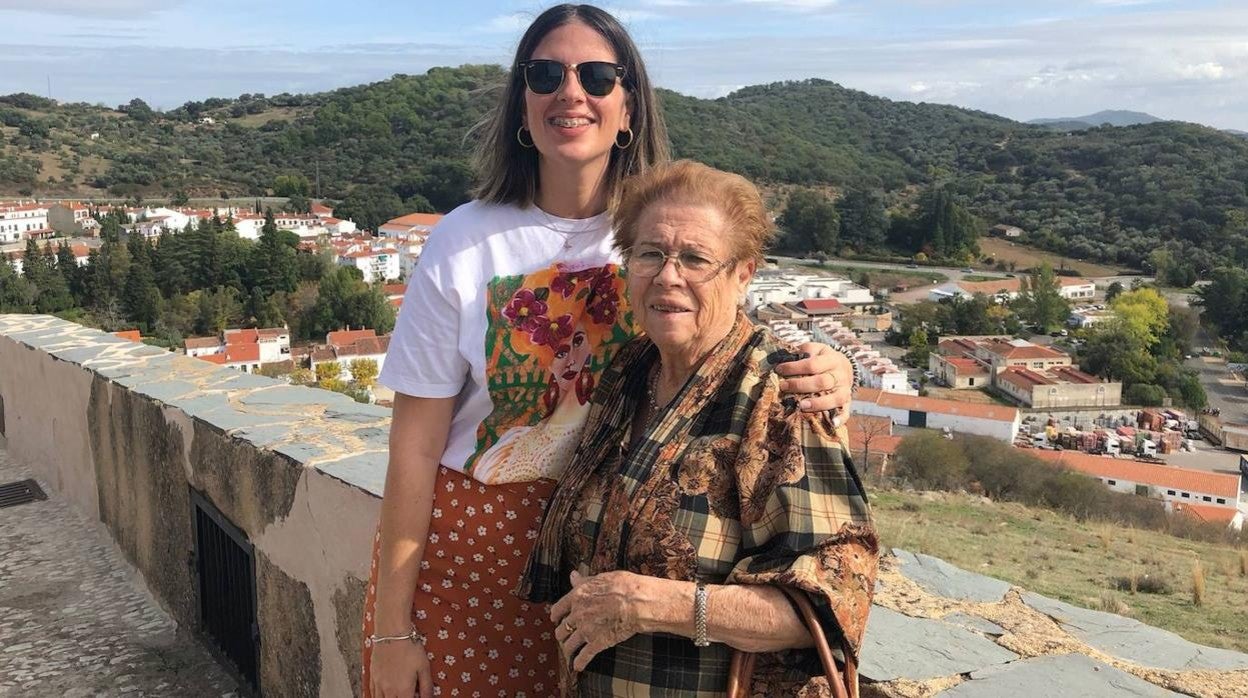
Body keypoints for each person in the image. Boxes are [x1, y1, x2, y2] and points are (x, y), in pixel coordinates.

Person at [362, 5, 858, 697]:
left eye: (597, 75)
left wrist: (835, 370)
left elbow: (732, 339)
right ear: (522, 104)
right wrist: (392, 629)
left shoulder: (660, 224)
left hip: (615, 559)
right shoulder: (462, 239)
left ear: (629, 107)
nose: (571, 93)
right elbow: (414, 447)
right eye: (545, 75)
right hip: (467, 558)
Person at [520, 160, 878, 696]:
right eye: (651, 254)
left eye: (695, 258)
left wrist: (649, 606)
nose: (669, 275)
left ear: (743, 275)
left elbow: (833, 602)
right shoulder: (627, 371)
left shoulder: (779, 398)